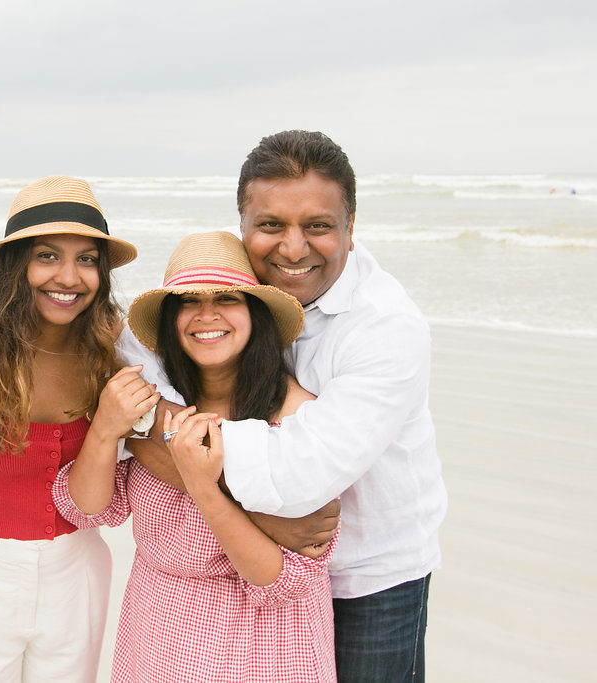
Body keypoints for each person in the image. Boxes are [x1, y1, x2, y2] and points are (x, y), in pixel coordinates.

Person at [121, 130, 447, 682]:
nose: (293, 249)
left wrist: (156, 431)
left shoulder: (388, 329)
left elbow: (299, 479)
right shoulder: (229, 287)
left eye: (318, 226)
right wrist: (252, 514)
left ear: (351, 228)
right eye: (271, 226)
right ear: (243, 226)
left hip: (370, 575)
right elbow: (132, 382)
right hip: (256, 567)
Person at [56, 230, 336, 681]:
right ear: (170, 320)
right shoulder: (154, 408)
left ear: (255, 313)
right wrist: (106, 429)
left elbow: (280, 580)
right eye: (188, 301)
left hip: (262, 649)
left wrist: (205, 487)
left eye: (227, 298)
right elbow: (89, 508)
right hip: (158, 639)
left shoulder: (298, 419)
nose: (207, 315)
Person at [0, 176, 154, 682]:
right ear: (16, 265)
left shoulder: (113, 347)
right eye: (47, 256)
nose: (69, 277)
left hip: (77, 570)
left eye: (87, 259)